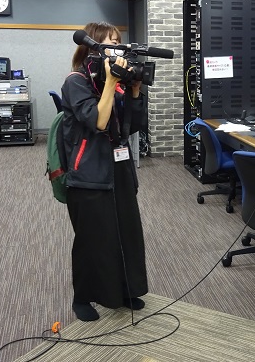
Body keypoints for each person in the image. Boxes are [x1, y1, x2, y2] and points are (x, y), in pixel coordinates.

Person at [61, 21, 148, 322]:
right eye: (111, 42)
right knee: (92, 239)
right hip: (88, 174)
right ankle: (82, 297)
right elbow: (98, 121)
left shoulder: (116, 83)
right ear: (94, 46)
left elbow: (132, 127)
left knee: (125, 231)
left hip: (119, 168)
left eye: (118, 42)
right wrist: (111, 83)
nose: (117, 48)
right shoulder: (76, 82)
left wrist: (134, 91)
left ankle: (124, 290)